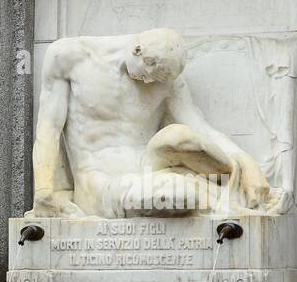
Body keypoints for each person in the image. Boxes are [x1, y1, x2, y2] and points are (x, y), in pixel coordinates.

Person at [28, 28, 279, 220]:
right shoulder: (69, 56)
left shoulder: (164, 80)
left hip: (149, 167)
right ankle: (225, 202)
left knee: (179, 136)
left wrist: (248, 163)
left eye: (159, 78)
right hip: (100, 181)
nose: (150, 82)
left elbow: (201, 129)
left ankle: (238, 189)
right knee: (177, 193)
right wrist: (44, 192)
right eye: (151, 73)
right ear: (137, 50)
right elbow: (48, 129)